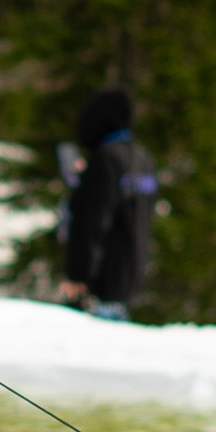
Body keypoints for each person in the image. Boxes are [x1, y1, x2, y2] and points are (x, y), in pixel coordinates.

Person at [59, 86, 155, 317]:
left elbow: (92, 221)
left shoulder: (106, 159)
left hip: (101, 285)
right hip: (131, 281)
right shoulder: (144, 158)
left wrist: (79, 275)